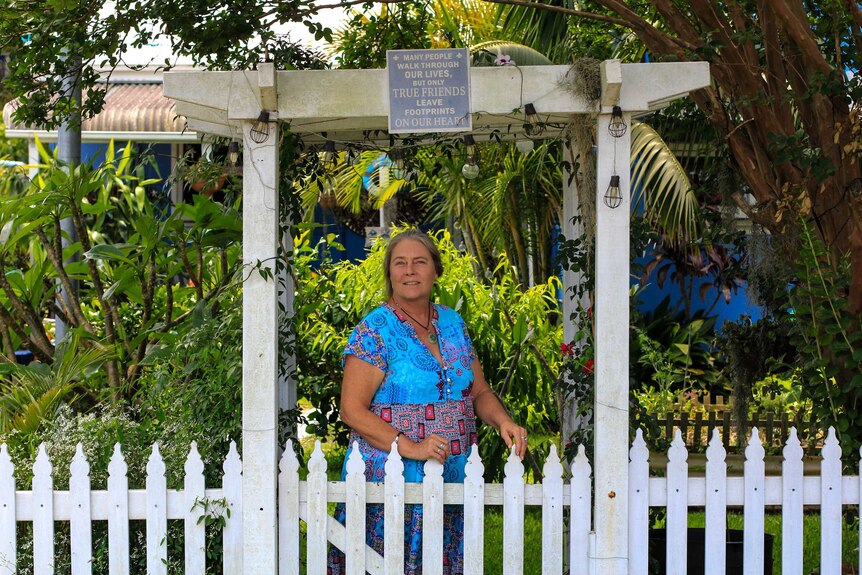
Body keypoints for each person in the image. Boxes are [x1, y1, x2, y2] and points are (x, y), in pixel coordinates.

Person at [327, 229, 528, 575]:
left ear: (436, 270)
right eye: (400, 263)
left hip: (452, 473)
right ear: (389, 272)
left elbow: (478, 391)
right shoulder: (374, 330)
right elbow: (351, 410)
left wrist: (503, 422)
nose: (409, 271)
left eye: (419, 262)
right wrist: (412, 447)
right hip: (391, 479)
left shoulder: (453, 323)